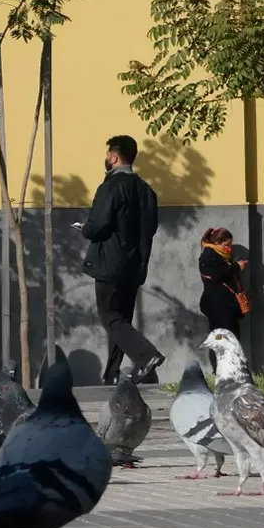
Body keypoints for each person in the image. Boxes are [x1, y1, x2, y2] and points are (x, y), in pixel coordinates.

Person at [79, 135, 163, 384]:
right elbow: (151, 227)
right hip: (135, 265)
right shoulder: (147, 191)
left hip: (110, 265)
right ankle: (112, 374)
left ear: (113, 157)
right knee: (121, 320)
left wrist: (85, 229)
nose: (106, 159)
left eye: (107, 155)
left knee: (110, 318)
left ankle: (147, 356)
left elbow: (98, 226)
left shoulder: (111, 187)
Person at [198, 227, 248, 371]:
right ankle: (220, 370)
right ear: (217, 243)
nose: (229, 248)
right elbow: (216, 274)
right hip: (218, 305)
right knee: (222, 339)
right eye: (226, 245)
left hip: (226, 305)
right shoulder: (208, 255)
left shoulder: (218, 256)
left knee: (231, 338)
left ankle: (232, 369)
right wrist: (236, 267)